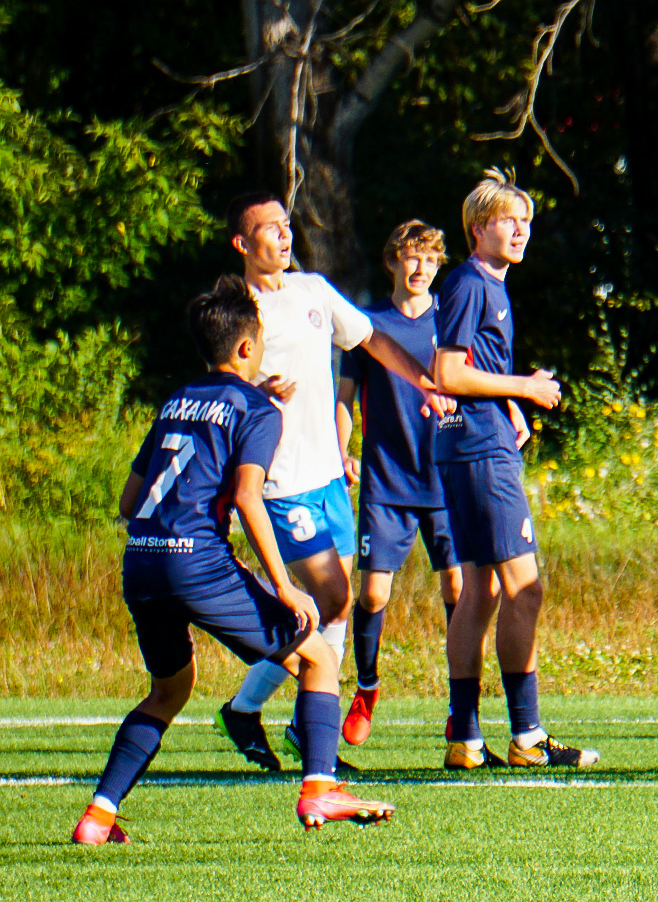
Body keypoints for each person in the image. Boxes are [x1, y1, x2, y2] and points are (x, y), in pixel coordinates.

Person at [74, 276, 393, 844]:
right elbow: (248, 497)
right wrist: (284, 586)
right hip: (197, 562)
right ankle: (321, 787)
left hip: (142, 560)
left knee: (169, 691)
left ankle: (98, 816)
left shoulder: (176, 401)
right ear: (247, 348)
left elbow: (129, 502)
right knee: (318, 654)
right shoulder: (257, 407)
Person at [214, 193, 447, 771]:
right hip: (279, 482)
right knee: (333, 599)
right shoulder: (233, 307)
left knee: (332, 611)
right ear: (244, 244)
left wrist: (424, 382)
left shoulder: (313, 290)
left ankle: (288, 723)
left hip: (327, 475)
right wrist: (252, 397)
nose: (285, 236)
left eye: (287, 226)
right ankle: (261, 713)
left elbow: (369, 338)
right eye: (271, 229)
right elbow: (217, 388)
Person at [434, 168, 597, 768]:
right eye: (510, 220)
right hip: (479, 451)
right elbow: (447, 373)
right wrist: (523, 389)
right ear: (478, 228)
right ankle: (526, 736)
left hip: (474, 442)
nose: (522, 230)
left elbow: (470, 366)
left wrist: (507, 404)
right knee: (525, 590)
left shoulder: (489, 285)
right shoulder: (471, 284)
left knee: (478, 592)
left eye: (527, 222)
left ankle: (466, 738)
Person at [334, 220, 466, 748]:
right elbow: (344, 398)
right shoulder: (369, 327)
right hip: (387, 481)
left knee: (459, 589)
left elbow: (474, 382)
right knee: (371, 593)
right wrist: (339, 449)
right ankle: (366, 686)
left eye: (430, 260)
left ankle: (463, 707)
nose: (420, 268)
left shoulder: (449, 322)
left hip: (447, 479)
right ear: (392, 261)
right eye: (411, 258)